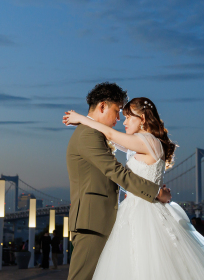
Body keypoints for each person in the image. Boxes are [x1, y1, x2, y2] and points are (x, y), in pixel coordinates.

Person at [63, 92, 204, 280]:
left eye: (126, 117)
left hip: (143, 211)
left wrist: (82, 119)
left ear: (141, 119)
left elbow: (110, 137)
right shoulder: (142, 142)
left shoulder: (146, 141)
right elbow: (117, 158)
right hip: (136, 208)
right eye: (119, 114)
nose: (122, 121)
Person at [64, 83, 173, 280]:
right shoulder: (89, 134)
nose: (118, 119)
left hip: (102, 221)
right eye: (116, 111)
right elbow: (116, 172)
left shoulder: (93, 132)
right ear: (103, 106)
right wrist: (156, 192)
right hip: (93, 223)